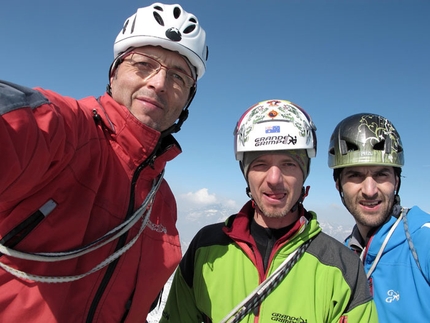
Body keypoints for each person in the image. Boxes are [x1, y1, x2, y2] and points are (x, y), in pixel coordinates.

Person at [0, 2, 208, 322]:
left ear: (187, 101)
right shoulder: (66, 132)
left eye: (178, 77)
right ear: (114, 73)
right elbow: (17, 123)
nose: (159, 83)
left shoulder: (164, 205)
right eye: (143, 64)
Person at [160, 99, 377, 323]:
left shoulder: (342, 268)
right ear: (247, 174)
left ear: (304, 174)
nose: (274, 179)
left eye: (288, 164)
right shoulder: (205, 248)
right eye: (260, 164)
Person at [328, 113, 430, 322]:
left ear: (396, 181)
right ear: (338, 184)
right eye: (354, 175)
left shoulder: (422, 242)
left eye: (381, 174)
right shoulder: (345, 254)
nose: (370, 190)